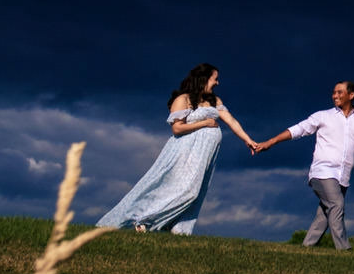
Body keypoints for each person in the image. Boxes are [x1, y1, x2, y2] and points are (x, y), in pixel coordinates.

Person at [95, 63, 259, 234]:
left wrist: (248, 140)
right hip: (184, 152)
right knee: (186, 190)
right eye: (215, 79)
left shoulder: (215, 101)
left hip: (205, 155)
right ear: (204, 79)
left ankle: (175, 228)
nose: (217, 83)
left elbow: (231, 120)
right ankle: (145, 221)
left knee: (195, 192)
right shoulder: (183, 99)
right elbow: (177, 128)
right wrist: (205, 123)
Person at [252, 80, 354, 250]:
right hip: (322, 172)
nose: (335, 96)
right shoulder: (323, 116)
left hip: (343, 176)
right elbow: (298, 129)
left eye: (339, 92)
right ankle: (345, 249)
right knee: (337, 205)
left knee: (325, 215)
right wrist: (270, 142)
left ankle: (306, 249)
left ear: (351, 95)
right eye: (334, 92)